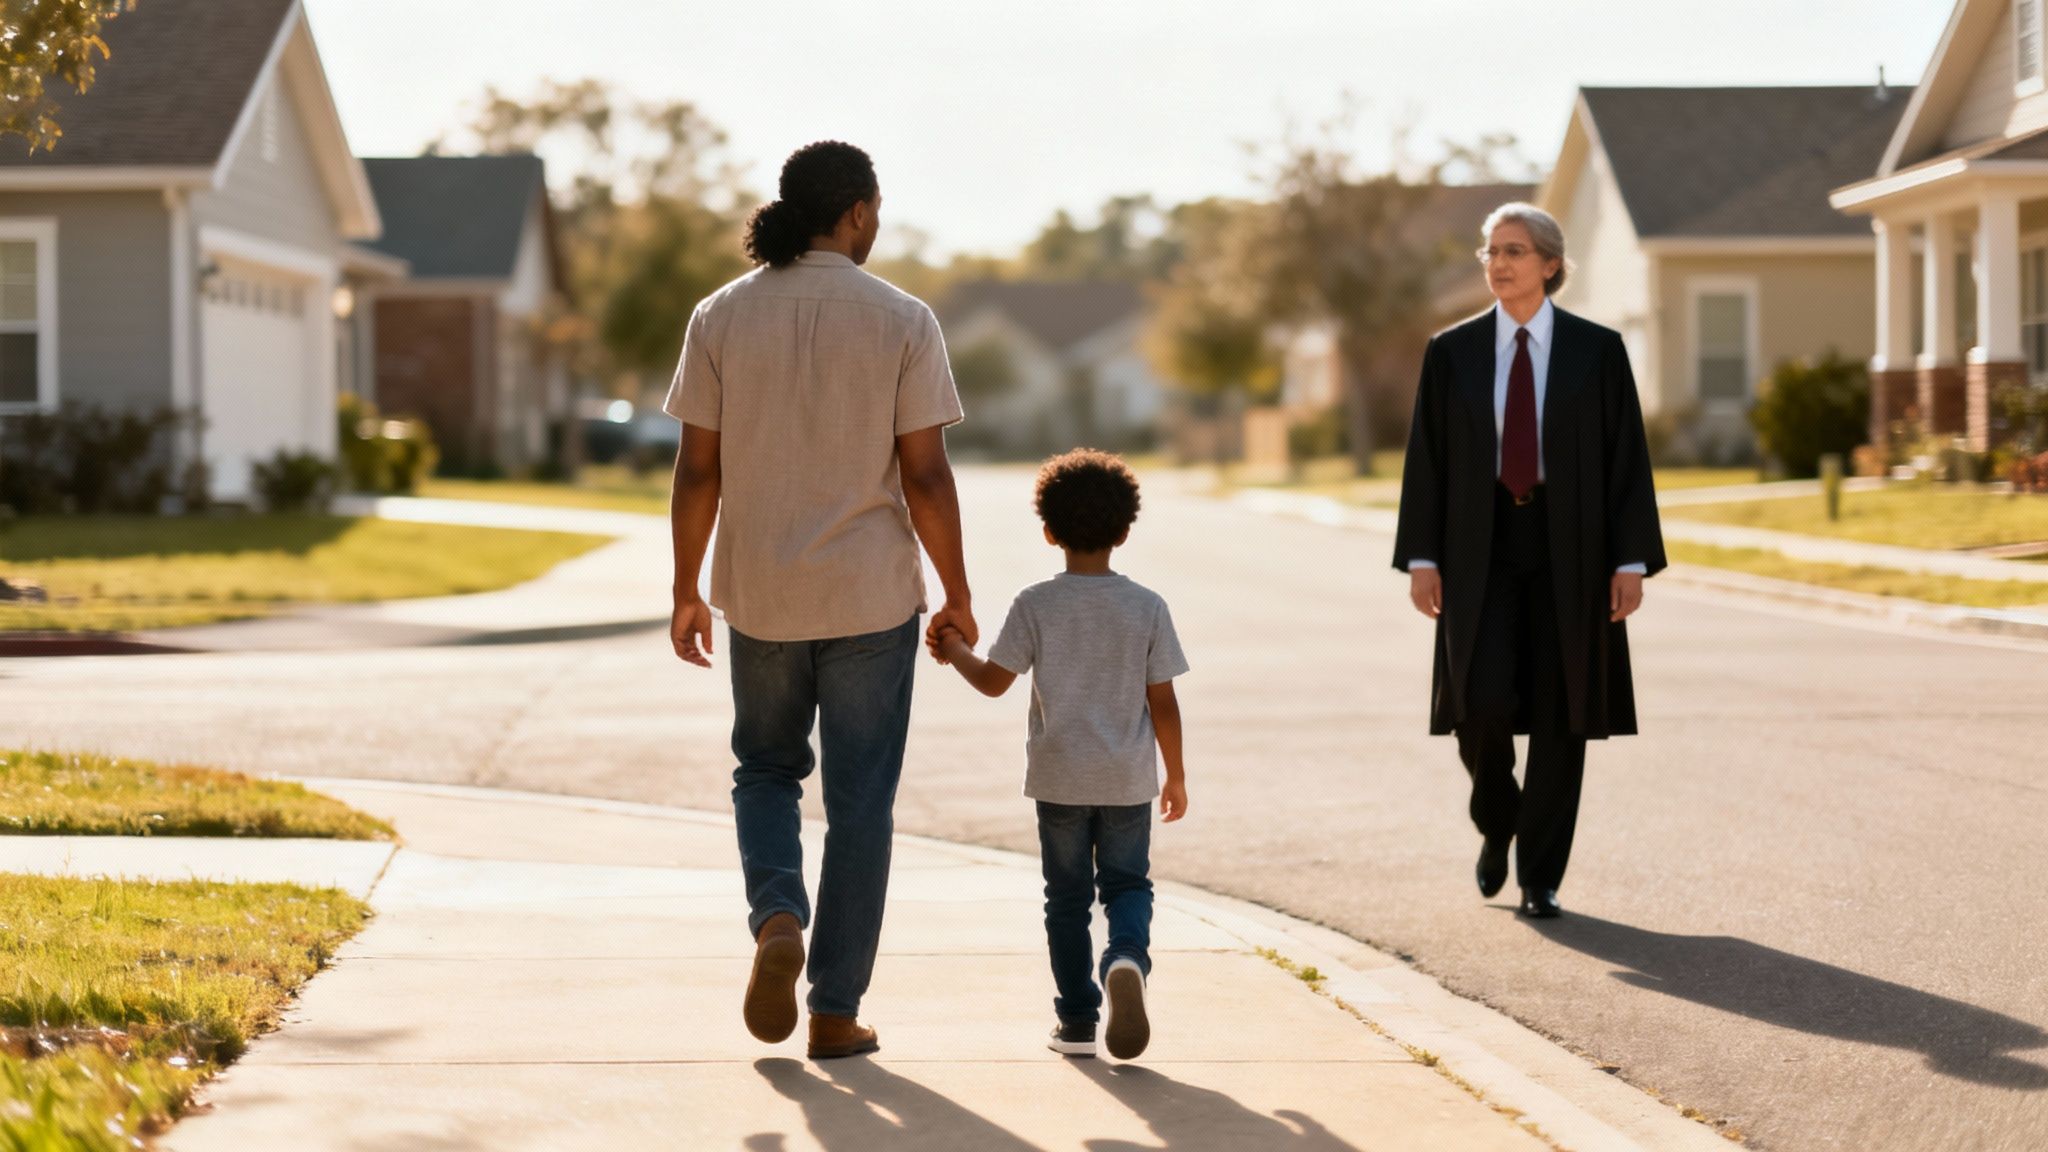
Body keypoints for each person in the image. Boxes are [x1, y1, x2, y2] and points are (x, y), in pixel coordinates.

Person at [665, 141, 973, 1060]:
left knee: (765, 770)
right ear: (856, 212)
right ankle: (834, 1011)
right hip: (871, 597)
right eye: (874, 209)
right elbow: (926, 477)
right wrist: (957, 592)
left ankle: (775, 917)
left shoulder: (720, 314)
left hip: (759, 591)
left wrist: (685, 590)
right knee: (860, 802)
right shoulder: (903, 319)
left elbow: (696, 472)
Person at [1392, 202, 1665, 920]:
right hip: (1477, 552)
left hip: (1571, 551)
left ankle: (1539, 875)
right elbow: (1428, 461)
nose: (1498, 263)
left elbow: (1625, 460)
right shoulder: (1450, 353)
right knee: (1477, 703)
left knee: (1561, 712)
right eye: (1490, 250)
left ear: (1550, 264)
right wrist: (1422, 556)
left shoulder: (1596, 352)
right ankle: (1497, 819)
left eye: (1514, 250)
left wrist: (1630, 561)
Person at [930, 449, 1189, 1061]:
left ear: (1048, 531)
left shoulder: (1035, 603)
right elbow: (1165, 702)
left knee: (1066, 898)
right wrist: (1174, 774)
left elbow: (994, 681)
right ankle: (1125, 958)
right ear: (1126, 530)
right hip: (1128, 779)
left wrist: (953, 647)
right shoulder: (1146, 606)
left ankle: (1076, 1022)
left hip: (1059, 779)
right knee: (1127, 884)